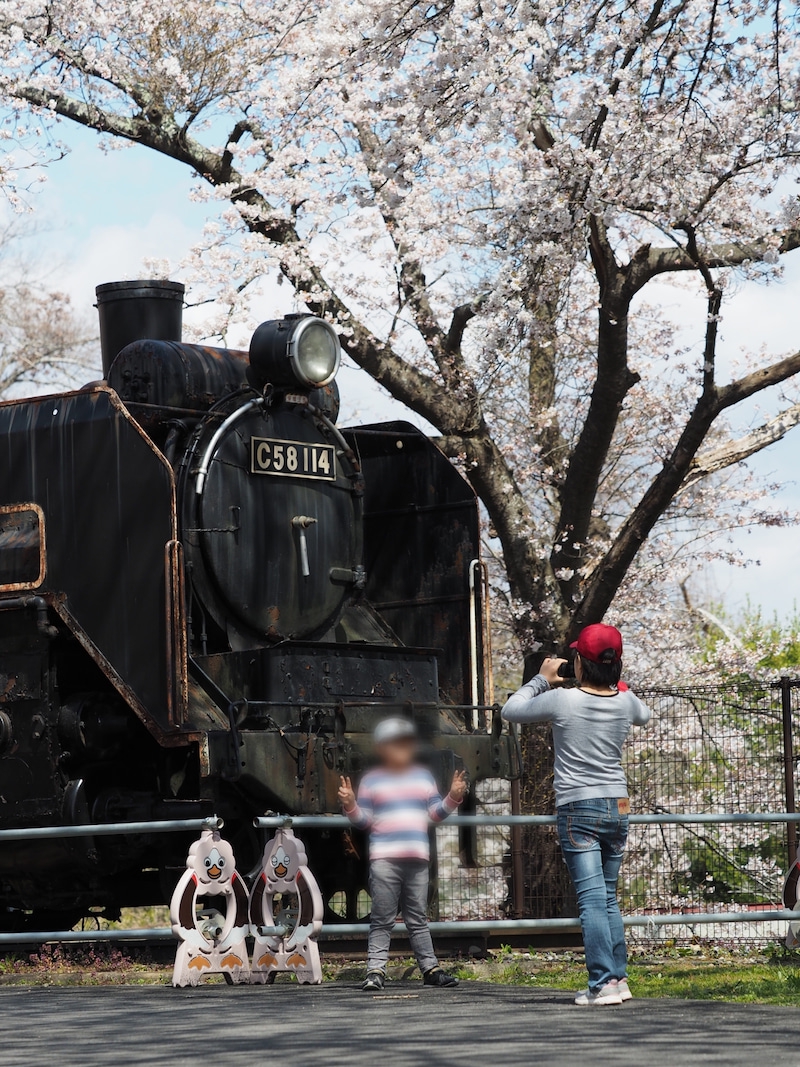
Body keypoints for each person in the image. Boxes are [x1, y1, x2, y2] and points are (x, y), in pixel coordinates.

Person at [502, 623, 651, 1007]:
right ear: (616, 663)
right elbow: (644, 715)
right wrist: (614, 681)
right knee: (609, 898)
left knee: (591, 900)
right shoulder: (625, 701)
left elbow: (511, 710)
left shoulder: (563, 700)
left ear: (579, 663)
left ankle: (601, 984)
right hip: (618, 805)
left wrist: (541, 679)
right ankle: (618, 979)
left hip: (579, 807)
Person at [338, 716, 468, 992]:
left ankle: (430, 969)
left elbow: (435, 812)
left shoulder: (423, 777)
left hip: (417, 861)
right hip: (384, 860)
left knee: (417, 918)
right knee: (382, 918)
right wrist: (350, 804)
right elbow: (364, 821)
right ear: (382, 748)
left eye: (407, 744)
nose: (404, 749)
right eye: (397, 744)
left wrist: (453, 798)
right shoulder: (372, 780)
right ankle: (375, 970)